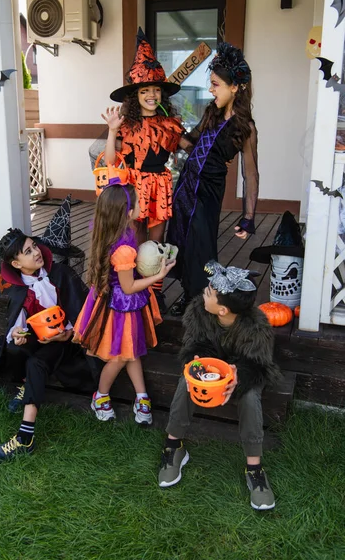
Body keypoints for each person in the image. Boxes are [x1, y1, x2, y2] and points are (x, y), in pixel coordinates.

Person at [158, 260, 280, 511]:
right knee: (186, 381)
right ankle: (174, 447)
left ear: (223, 309)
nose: (204, 292)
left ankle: (254, 468)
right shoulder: (198, 312)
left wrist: (239, 376)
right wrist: (197, 360)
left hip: (240, 375)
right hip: (209, 372)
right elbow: (192, 346)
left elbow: (259, 365)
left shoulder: (257, 326)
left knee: (249, 397)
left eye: (210, 292)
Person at [0, 229, 88, 461]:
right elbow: (16, 324)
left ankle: (25, 436)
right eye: (28, 252)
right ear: (16, 263)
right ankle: (26, 386)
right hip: (39, 338)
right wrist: (17, 333)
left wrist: (66, 334)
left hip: (65, 341)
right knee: (14, 346)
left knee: (37, 363)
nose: (36, 252)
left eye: (35, 246)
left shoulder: (60, 274)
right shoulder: (20, 289)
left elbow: (81, 312)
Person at [167, 42, 259, 316]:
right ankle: (188, 295)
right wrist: (171, 127)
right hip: (186, 184)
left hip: (207, 192)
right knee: (182, 240)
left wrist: (249, 217)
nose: (210, 89)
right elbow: (191, 144)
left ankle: (202, 301)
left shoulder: (245, 127)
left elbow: (250, 173)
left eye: (216, 84)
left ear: (235, 87)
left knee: (201, 246)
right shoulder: (211, 113)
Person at [73, 181, 175, 425]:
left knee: (133, 351)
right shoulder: (124, 250)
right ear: (128, 212)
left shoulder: (117, 231)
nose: (142, 204)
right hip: (120, 308)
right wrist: (157, 276)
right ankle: (101, 395)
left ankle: (142, 396)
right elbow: (129, 287)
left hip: (116, 301)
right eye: (138, 202)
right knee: (119, 356)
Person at [102, 27, 189, 311]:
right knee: (136, 240)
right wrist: (112, 131)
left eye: (155, 89)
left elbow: (189, 147)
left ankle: (156, 293)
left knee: (158, 240)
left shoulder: (171, 125)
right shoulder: (126, 125)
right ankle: (136, 289)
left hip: (160, 184)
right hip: (134, 186)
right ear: (135, 95)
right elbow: (111, 161)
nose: (151, 94)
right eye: (145, 90)